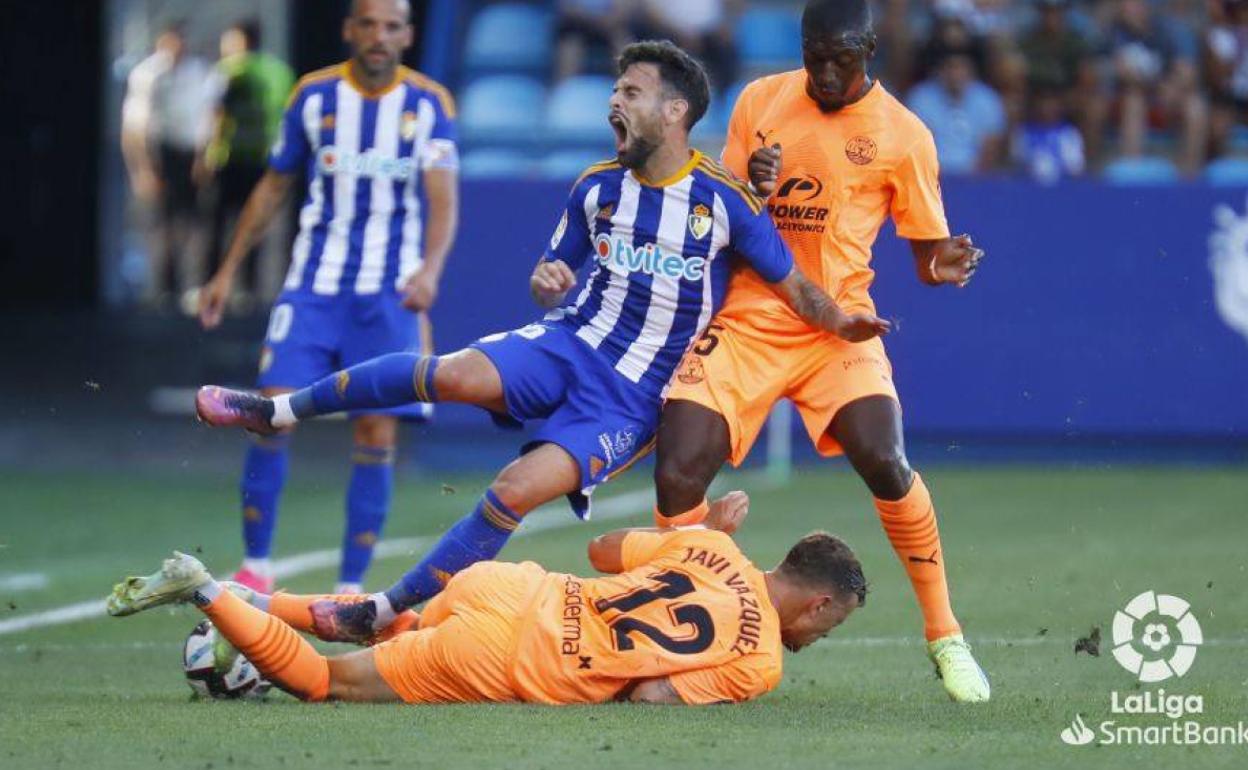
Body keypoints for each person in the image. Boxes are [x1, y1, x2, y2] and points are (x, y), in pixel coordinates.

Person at [195, 40, 889, 642]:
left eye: (631, 92)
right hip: (567, 342)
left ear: (676, 111)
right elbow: (549, 274)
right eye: (615, 90)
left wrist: (842, 322)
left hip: (631, 398)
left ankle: (379, 610)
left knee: (514, 491)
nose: (614, 102)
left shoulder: (724, 202)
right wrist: (547, 279)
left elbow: (795, 286)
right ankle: (276, 410)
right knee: (450, 374)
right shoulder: (594, 189)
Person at [650, 0, 991, 702]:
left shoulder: (905, 135)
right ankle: (693, 627)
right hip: (751, 316)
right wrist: (756, 187)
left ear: (868, 46)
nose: (826, 72)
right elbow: (723, 212)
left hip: (840, 328)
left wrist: (943, 264)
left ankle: (945, 635)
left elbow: (927, 254)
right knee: (678, 473)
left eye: (842, 57)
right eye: (815, 56)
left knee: (885, 459)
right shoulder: (761, 100)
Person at [196, 0, 461, 595]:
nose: (378, 36)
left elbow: (443, 195)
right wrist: (226, 270)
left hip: (389, 295)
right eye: (368, 23)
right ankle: (256, 569)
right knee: (269, 414)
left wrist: (431, 269)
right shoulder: (312, 97)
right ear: (349, 29)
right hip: (313, 287)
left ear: (408, 35)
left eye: (392, 26)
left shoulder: (430, 104)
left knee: (376, 432)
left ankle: (349, 586)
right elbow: (273, 186)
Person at [106, 500, 867, 705]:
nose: (824, 637)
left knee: (390, 619)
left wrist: (693, 530)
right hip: (510, 657)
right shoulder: (759, 660)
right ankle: (206, 590)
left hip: (513, 585)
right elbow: (654, 695)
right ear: (821, 604)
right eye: (834, 624)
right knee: (323, 684)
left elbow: (603, 552)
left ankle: (246, 602)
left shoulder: (713, 548)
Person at [120, 22, 216, 309]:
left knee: (192, 221)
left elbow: (207, 118)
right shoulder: (148, 75)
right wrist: (142, 169)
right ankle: (163, 287)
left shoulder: (198, 72)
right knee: (160, 222)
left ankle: (192, 285)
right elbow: (134, 127)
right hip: (159, 151)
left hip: (189, 152)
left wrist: (204, 157)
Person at [201, 19, 295, 310]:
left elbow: (215, 114)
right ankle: (249, 290)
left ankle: (213, 287)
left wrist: (204, 156)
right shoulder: (280, 71)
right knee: (255, 225)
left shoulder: (231, 70)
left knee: (217, 226)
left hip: (229, 159)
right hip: (265, 162)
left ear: (242, 41)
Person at [907, 49, 1007, 174]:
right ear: (940, 71)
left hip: (976, 178)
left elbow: (991, 149)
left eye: (961, 68)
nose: (955, 74)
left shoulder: (988, 99)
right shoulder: (920, 98)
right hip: (932, 176)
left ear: (971, 71)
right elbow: (919, 148)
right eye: (950, 67)